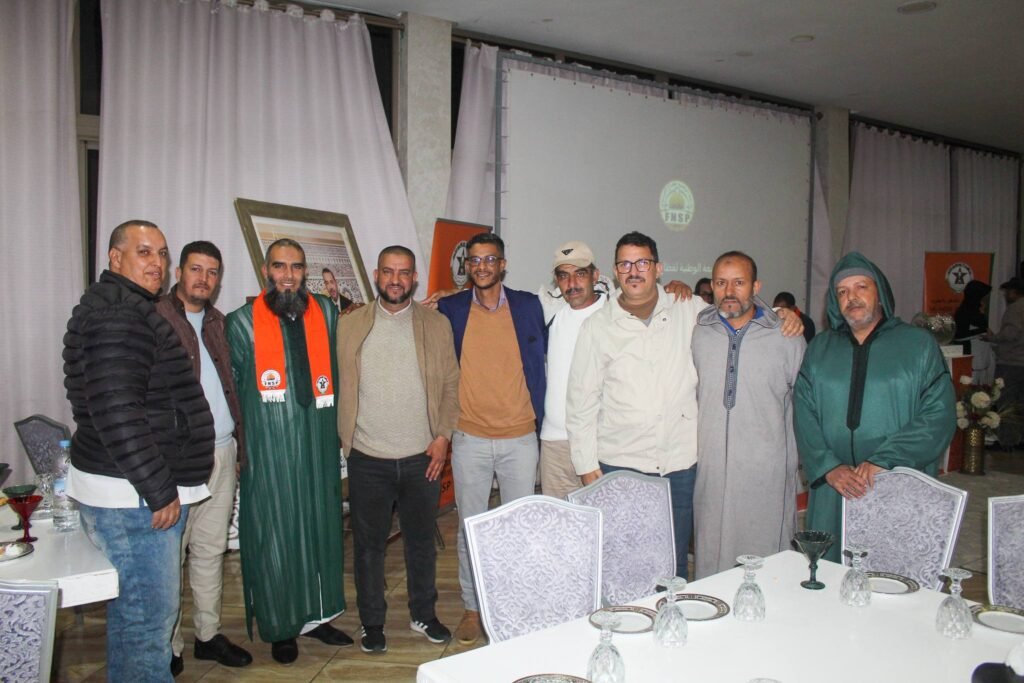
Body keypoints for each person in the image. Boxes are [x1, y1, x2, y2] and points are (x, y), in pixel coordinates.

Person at [64, 220, 214, 681]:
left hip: (129, 491)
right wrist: (158, 489)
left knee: (136, 619)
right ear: (115, 257)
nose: (157, 263)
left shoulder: (123, 306)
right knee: (147, 624)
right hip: (134, 498)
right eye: (144, 252)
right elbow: (116, 410)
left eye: (162, 253)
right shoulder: (118, 315)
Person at [226, 238, 352, 664]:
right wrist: (241, 450)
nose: (288, 275)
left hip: (317, 443)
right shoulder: (242, 323)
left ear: (305, 272)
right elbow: (232, 393)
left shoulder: (327, 313)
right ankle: (281, 625)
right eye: (279, 266)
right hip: (270, 448)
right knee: (277, 533)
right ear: (266, 270)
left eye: (296, 267)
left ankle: (318, 616)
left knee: (320, 527)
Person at [794, 252, 956, 562]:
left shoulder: (917, 345)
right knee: (830, 572)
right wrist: (828, 467)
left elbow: (939, 414)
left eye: (861, 287)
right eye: (842, 291)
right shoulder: (820, 349)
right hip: (834, 486)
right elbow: (804, 413)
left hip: (897, 479)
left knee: (893, 571)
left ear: (879, 292)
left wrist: (884, 460)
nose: (851, 297)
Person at [337, 246, 459, 654]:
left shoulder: (436, 324)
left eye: (403, 272)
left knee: (421, 543)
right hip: (367, 458)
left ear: (414, 279)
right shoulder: (349, 325)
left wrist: (442, 437)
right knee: (368, 547)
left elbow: (451, 384)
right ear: (376, 275)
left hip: (422, 457)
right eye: (388, 272)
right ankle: (372, 622)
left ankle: (424, 613)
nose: (395, 280)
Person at [566, 231, 708, 579]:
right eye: (625, 264)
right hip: (621, 464)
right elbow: (581, 402)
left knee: (673, 561)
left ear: (658, 268)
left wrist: (779, 313)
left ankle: (671, 612)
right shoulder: (597, 327)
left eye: (642, 263)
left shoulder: (689, 309)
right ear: (615, 272)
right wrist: (586, 465)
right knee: (623, 562)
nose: (633, 271)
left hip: (678, 464)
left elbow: (737, 315)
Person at [436, 232, 546, 645]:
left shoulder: (529, 305)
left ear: (503, 264)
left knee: (518, 529)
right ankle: (473, 607)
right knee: (471, 528)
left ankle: (514, 605)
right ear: (467, 266)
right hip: (470, 438)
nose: (482, 266)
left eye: (490, 259)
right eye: (475, 260)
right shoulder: (450, 308)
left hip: (520, 437)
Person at [155, 241, 251, 674]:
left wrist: (240, 447)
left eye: (212, 272)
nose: (204, 279)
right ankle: (169, 645)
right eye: (196, 269)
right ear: (178, 271)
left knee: (212, 549)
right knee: (170, 555)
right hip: (178, 459)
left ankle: (208, 635)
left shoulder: (219, 323)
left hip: (223, 451)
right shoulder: (155, 319)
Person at [692, 252, 805, 578]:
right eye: (721, 283)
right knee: (712, 560)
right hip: (713, 470)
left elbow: (805, 407)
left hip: (766, 474)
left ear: (756, 287)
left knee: (767, 565)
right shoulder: (699, 332)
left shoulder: (787, 337)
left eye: (739, 282)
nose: (729, 291)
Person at [539, 241, 607, 500]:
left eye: (580, 273)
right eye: (563, 276)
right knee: (559, 522)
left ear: (595, 276)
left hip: (600, 442)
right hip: (555, 443)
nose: (572, 283)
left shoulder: (615, 313)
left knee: (603, 520)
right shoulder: (551, 311)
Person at [985, 278, 1024, 445]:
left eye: (1007, 292)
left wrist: (992, 338)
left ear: (1014, 292)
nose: (1005, 295)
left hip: (1011, 362)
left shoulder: (1015, 309)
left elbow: (1011, 333)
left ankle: (1008, 441)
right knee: (1020, 403)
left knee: (1007, 403)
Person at [953, 280, 991, 355]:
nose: (985, 300)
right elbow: (959, 335)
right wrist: (983, 331)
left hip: (981, 354)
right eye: (984, 297)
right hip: (970, 353)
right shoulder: (964, 312)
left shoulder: (977, 310)